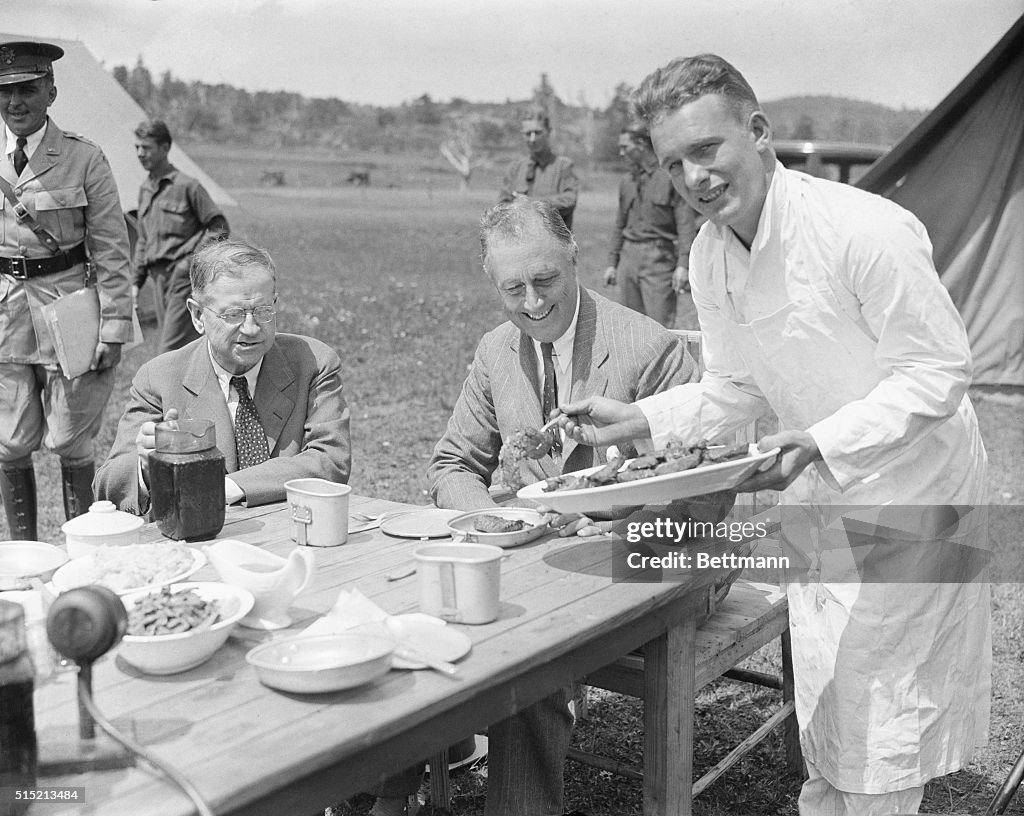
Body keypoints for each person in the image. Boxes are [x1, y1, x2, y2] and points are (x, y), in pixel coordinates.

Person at [556, 54, 991, 816]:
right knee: (832, 691)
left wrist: (819, 441)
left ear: (758, 132)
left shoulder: (863, 229)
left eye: (706, 149)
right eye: (673, 164)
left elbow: (937, 371)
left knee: (883, 705)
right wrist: (643, 420)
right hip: (819, 484)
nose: (694, 178)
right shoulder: (709, 254)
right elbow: (735, 388)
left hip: (914, 483)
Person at [419, 198, 702, 816]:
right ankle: (396, 781)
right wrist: (500, 524)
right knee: (423, 611)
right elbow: (451, 465)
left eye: (545, 280)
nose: (532, 303)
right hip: (539, 559)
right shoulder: (497, 350)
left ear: (576, 259)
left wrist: (605, 531)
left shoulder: (648, 347)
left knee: (527, 651)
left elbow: (702, 495)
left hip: (654, 557)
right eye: (512, 289)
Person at [94, 238, 350, 513]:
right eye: (233, 314)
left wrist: (222, 488)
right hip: (199, 536)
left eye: (263, 311)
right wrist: (145, 468)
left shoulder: (313, 363)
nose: (251, 328)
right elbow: (107, 485)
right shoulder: (158, 378)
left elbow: (330, 460)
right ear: (197, 316)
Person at [0, 41, 133, 537]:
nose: (15, 102)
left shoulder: (84, 158)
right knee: (9, 441)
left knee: (71, 439)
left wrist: (113, 328)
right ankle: (24, 555)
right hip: (5, 319)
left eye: (28, 89)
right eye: (5, 92)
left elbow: (112, 251)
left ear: (50, 92)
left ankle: (81, 554)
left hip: (70, 315)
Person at [133, 119, 229, 354]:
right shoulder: (145, 189)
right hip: (157, 279)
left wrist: (191, 264)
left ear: (165, 148)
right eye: (137, 147)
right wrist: (135, 282)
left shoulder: (188, 186)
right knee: (183, 350)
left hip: (182, 278)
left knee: (168, 349)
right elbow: (144, 239)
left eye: (146, 148)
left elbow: (219, 227)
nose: (140, 153)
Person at [602, 123, 703, 329]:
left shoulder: (671, 178)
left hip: (658, 261)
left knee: (660, 328)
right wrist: (612, 263)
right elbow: (620, 224)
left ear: (640, 144)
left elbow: (685, 226)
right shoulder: (627, 181)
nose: (621, 153)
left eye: (625, 147)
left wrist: (683, 265)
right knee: (629, 327)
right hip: (628, 258)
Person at [497, 109, 578, 230]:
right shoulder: (515, 168)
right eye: (528, 134)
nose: (532, 139)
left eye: (538, 132)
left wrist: (532, 204)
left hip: (552, 240)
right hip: (520, 239)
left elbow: (569, 201)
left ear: (548, 132)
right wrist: (514, 208)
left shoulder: (563, 166)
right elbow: (501, 207)